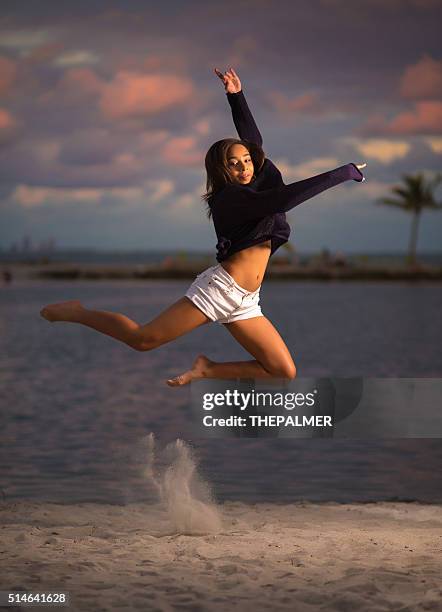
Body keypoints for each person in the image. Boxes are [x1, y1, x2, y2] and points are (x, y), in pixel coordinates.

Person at [40, 67, 366, 386]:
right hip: (220, 290)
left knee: (283, 370)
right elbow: (282, 201)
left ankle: (207, 368)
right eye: (233, 164)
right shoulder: (230, 199)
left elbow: (252, 139)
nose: (243, 167)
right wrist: (343, 173)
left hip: (246, 300)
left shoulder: (262, 178)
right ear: (221, 170)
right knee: (143, 340)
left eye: (246, 160)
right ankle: (78, 312)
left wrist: (236, 96)